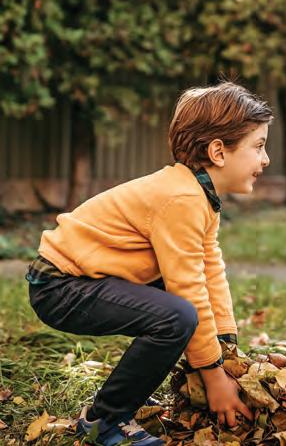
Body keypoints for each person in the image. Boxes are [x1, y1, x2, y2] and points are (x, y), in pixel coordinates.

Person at [26, 82, 272, 445]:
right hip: (60, 286)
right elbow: (189, 290)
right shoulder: (181, 199)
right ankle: (105, 420)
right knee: (177, 316)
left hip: (88, 279)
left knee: (182, 312)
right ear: (218, 152)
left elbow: (209, 272)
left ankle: (137, 393)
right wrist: (214, 375)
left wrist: (226, 347)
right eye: (259, 146)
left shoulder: (199, 196)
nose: (266, 160)